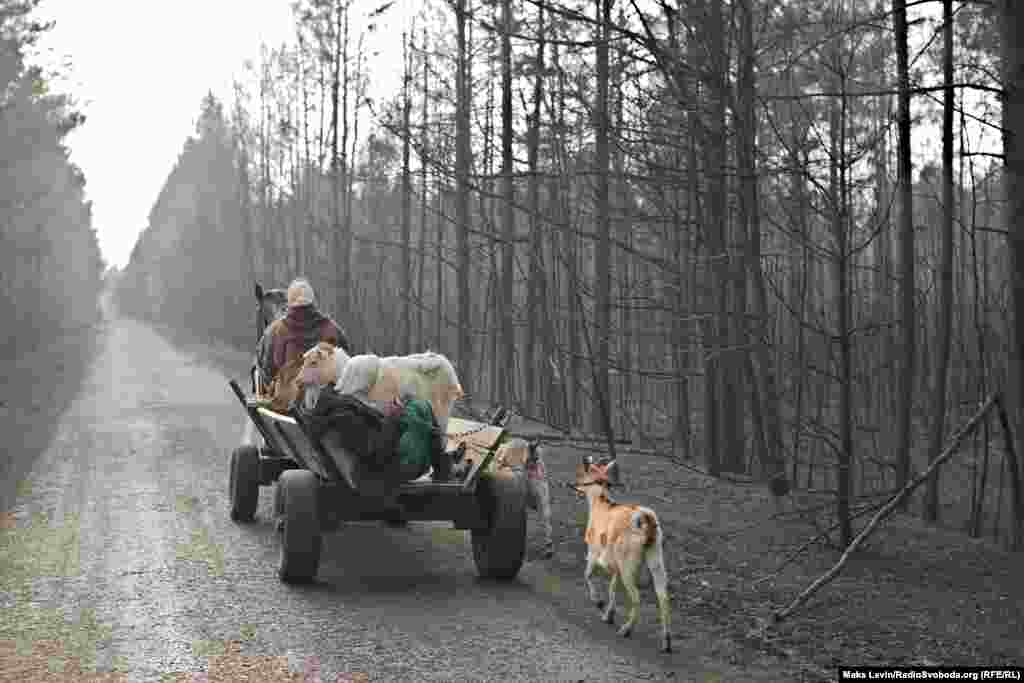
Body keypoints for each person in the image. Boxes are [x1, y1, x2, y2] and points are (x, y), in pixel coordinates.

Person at [256, 278, 351, 395]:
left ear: (289, 301)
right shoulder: (333, 329)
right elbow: (346, 367)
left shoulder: (273, 331)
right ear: (312, 300)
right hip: (329, 401)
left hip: (288, 403)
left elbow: (266, 371)